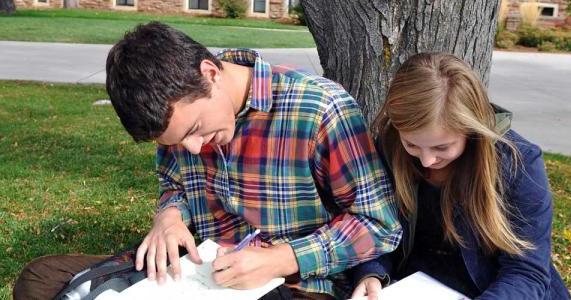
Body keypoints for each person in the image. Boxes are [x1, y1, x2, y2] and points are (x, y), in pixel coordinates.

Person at [13, 22, 402, 300]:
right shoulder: (178, 121)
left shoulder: (319, 108)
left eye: (196, 129)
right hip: (198, 270)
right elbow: (174, 184)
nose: (195, 148)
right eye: (180, 140)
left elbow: (379, 222)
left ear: (210, 72)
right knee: (40, 279)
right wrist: (168, 215)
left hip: (293, 284)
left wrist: (284, 259)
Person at [349, 53, 570, 299]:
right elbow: (375, 226)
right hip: (414, 285)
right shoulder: (389, 149)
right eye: (412, 144)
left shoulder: (519, 164)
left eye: (442, 148)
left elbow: (527, 272)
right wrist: (372, 273)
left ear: (471, 129)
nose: (426, 160)